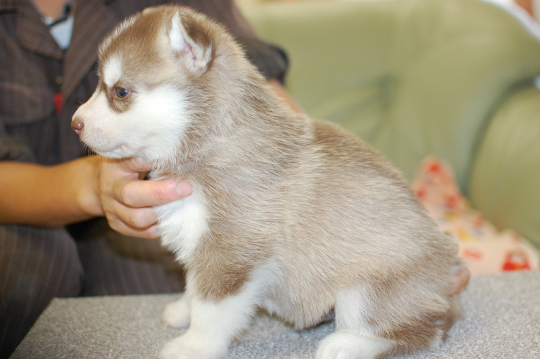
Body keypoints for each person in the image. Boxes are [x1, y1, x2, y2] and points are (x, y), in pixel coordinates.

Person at [0, 0, 292, 357]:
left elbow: (260, 95)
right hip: (16, 214)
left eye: (120, 93)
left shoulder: (184, 26)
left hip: (151, 213)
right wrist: (93, 185)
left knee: (169, 294)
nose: (80, 116)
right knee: (20, 284)